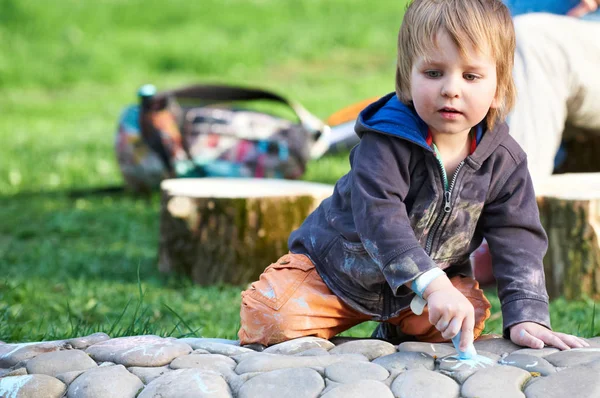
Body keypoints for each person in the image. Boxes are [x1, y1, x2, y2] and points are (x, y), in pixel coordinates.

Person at [238, 0, 589, 352]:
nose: (451, 89)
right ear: (407, 78)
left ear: (499, 89)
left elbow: (518, 237)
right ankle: (311, 305)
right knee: (270, 319)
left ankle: (398, 328)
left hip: (416, 295)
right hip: (337, 276)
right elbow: (379, 218)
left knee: (467, 316)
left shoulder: (504, 159)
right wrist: (433, 284)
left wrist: (527, 314)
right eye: (433, 73)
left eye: (471, 76)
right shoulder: (387, 139)